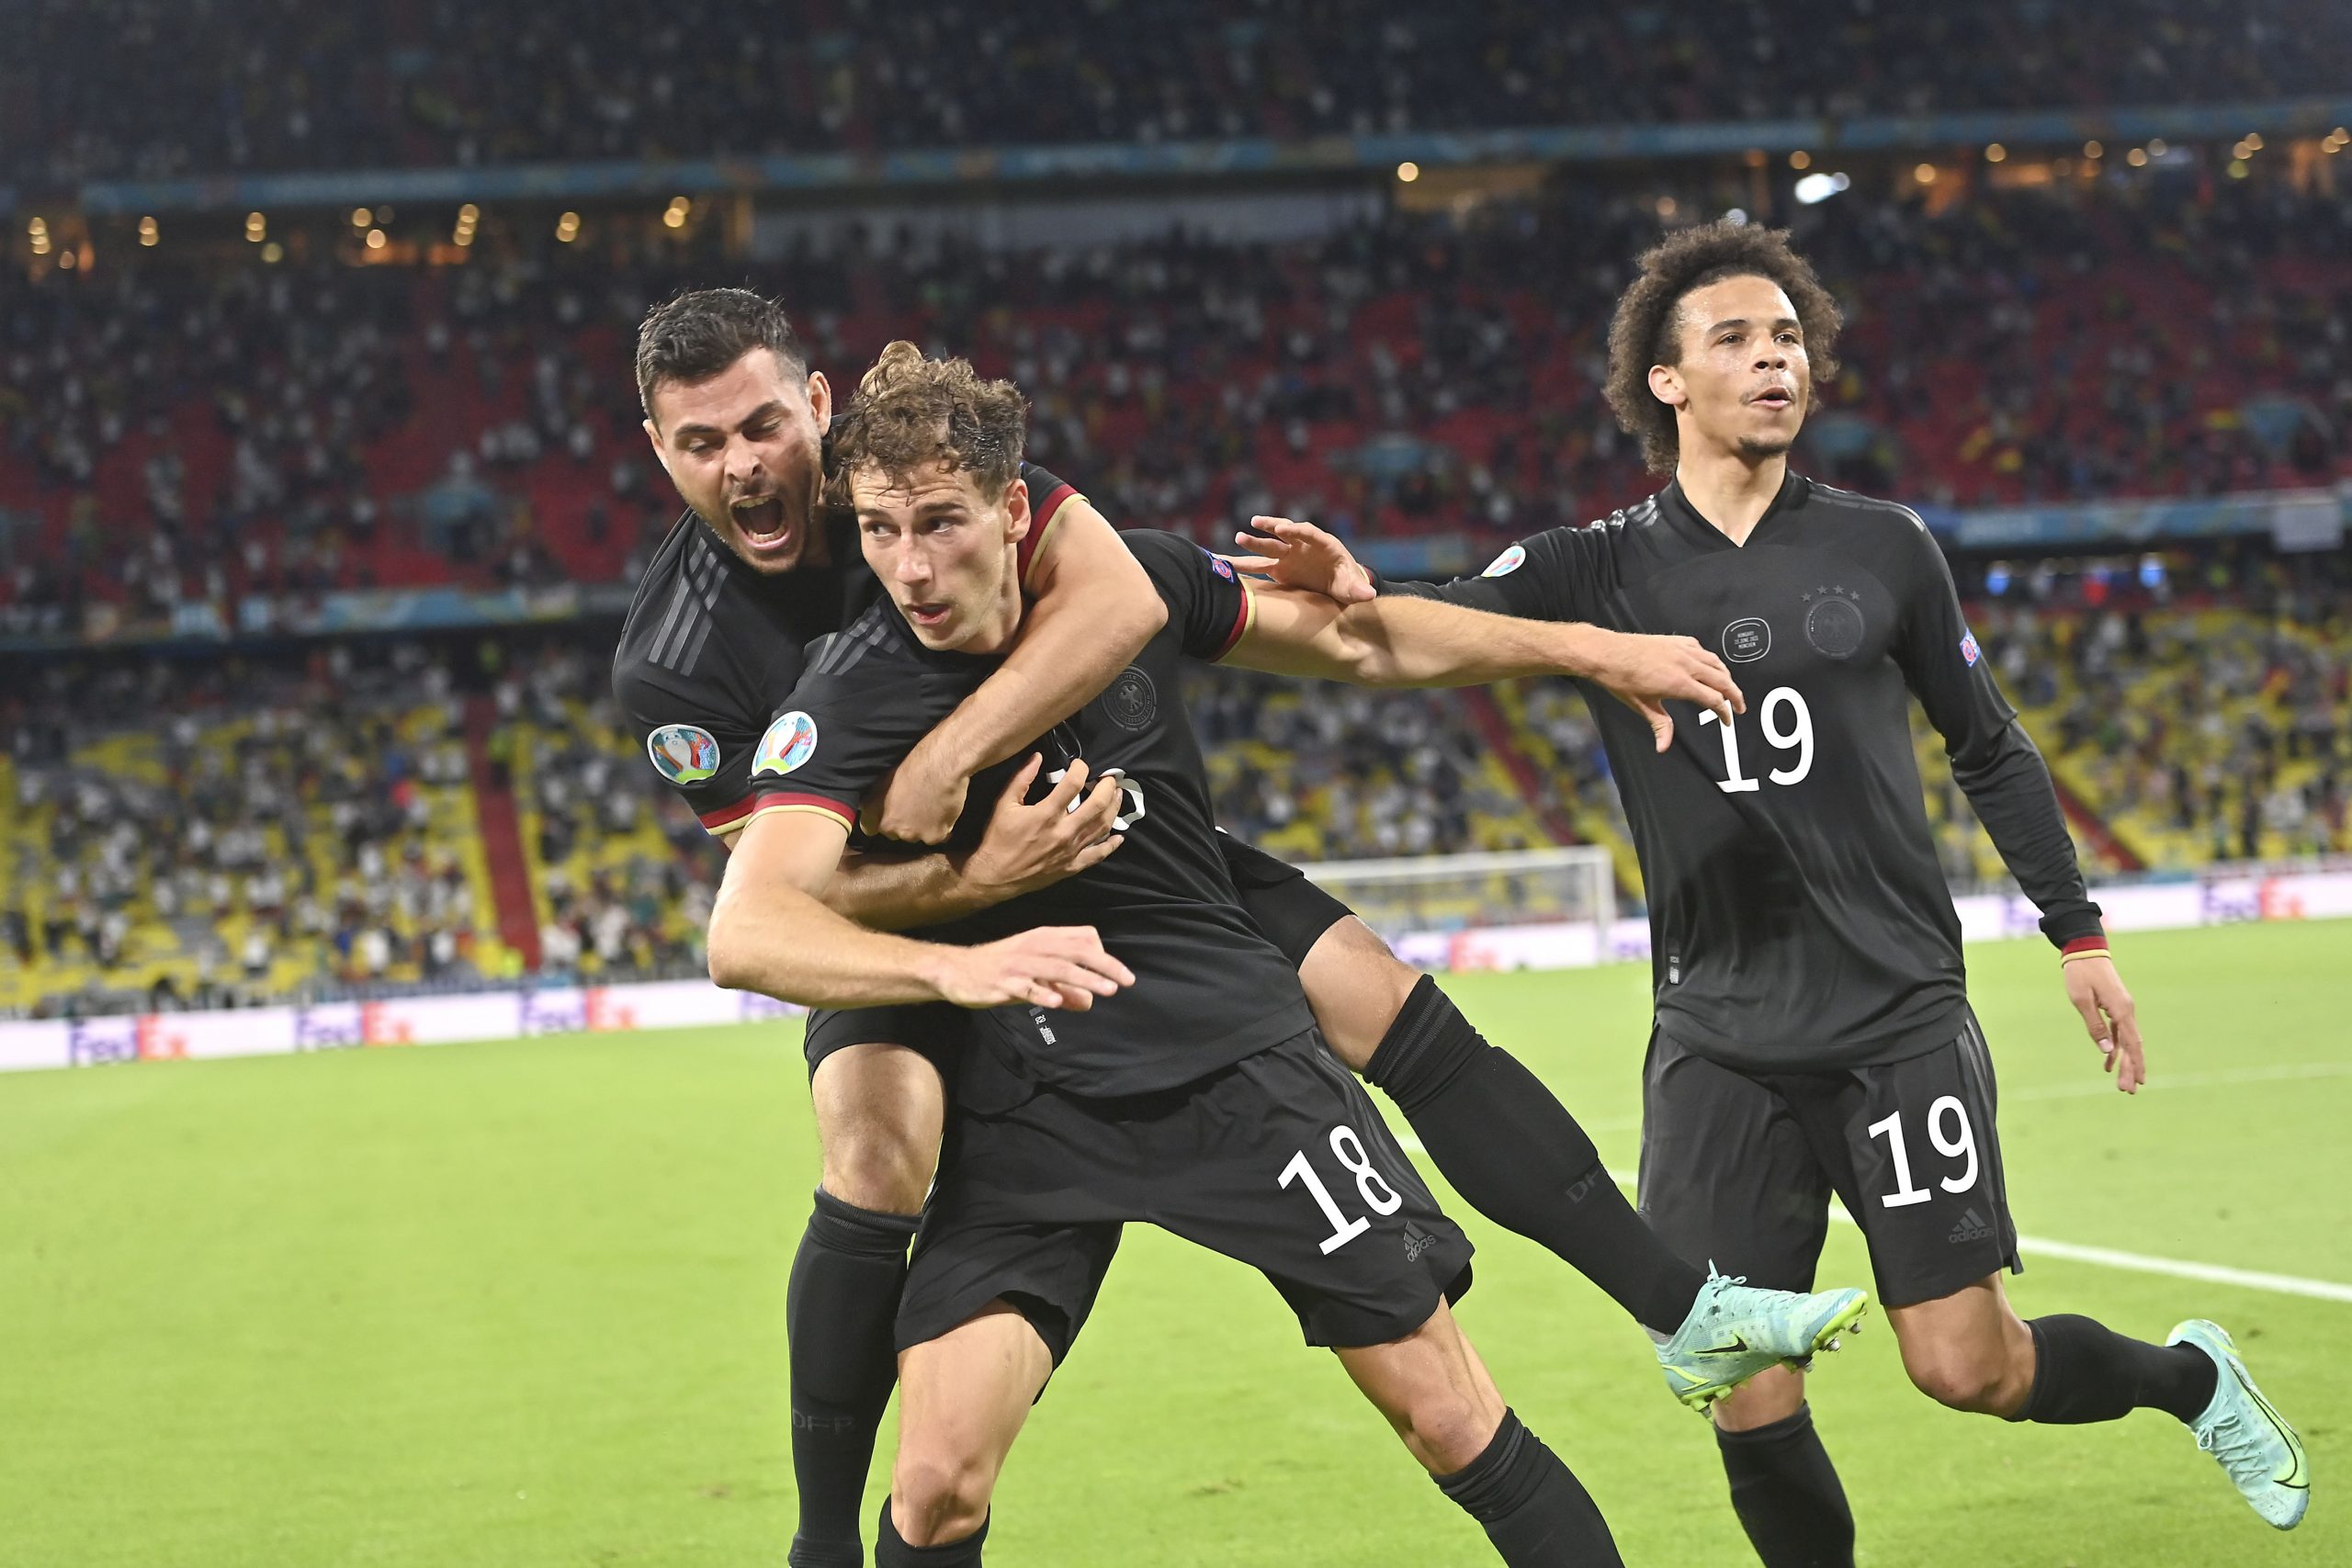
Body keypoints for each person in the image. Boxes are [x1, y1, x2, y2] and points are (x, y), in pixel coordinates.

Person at [616, 297, 1856, 1568]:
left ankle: (1681, 1313)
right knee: (882, 1183)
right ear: (658, 452)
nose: (747, 466)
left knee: (1396, 1092)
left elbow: (1345, 642)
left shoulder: (1068, 545)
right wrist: (969, 910)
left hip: (1191, 972)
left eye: (764, 426)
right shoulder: (747, 672)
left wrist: (1587, 648)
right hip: (985, 989)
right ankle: (822, 1542)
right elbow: (768, 913)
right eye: (701, 444)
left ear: (1002, 508)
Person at [1254, 219, 2309, 1560]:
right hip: (1719, 1036)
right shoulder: (1596, 568)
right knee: (1741, 1388)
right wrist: (1357, 594)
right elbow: (1408, 641)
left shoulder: (1885, 548)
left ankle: (2189, 1378)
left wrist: (2080, 935)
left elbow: (1988, 745)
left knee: (1966, 1367)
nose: (1775, 362)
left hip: (1893, 1015)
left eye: (1790, 338)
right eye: (1736, 340)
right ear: (1666, 382)